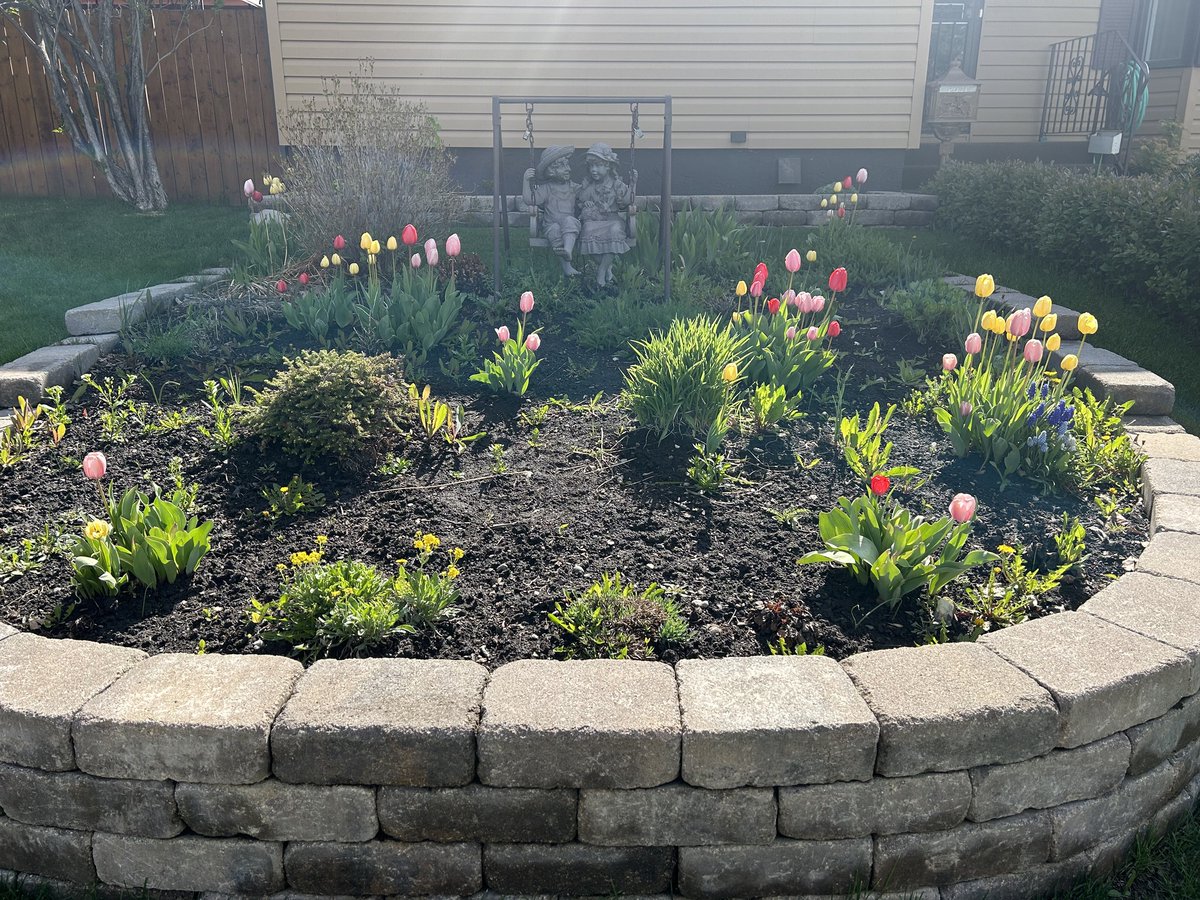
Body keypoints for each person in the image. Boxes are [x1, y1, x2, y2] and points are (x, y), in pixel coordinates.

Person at [577, 142, 635, 287]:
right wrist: (586, 204)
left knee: (615, 230)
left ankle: (601, 272)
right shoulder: (591, 186)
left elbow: (627, 201)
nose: (593, 170)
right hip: (595, 220)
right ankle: (607, 268)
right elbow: (582, 199)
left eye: (597, 166)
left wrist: (633, 184)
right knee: (587, 230)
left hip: (613, 219)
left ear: (608, 166)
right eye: (591, 166)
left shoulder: (616, 184)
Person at [523, 145, 581, 276]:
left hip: (569, 226)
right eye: (563, 166)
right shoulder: (546, 189)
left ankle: (568, 250)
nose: (568, 169)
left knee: (570, 220)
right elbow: (529, 200)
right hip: (551, 225)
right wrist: (526, 181)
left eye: (568, 165)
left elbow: (586, 194)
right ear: (551, 170)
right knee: (554, 229)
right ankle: (567, 265)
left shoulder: (573, 187)